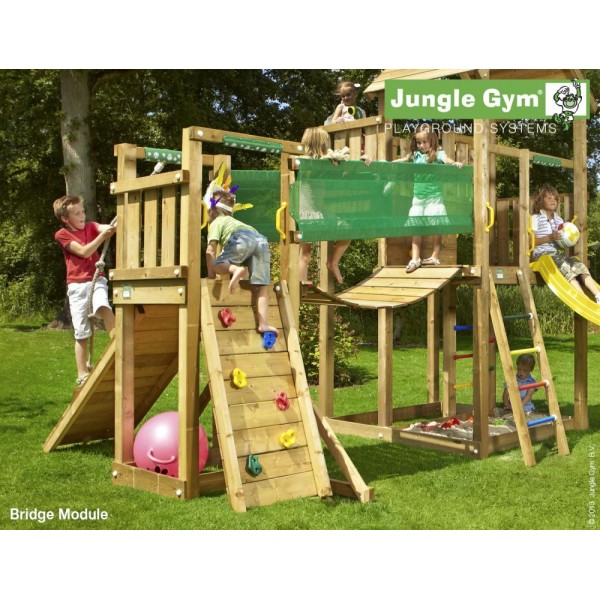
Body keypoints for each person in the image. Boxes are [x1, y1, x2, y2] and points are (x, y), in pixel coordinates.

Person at [53, 195, 116, 386]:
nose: (82, 216)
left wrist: (111, 227)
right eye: (77, 213)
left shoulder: (91, 227)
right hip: (77, 286)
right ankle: (82, 373)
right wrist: (102, 237)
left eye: (83, 211)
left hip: (96, 279)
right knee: (81, 333)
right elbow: (83, 251)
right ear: (65, 218)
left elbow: (105, 228)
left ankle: (117, 344)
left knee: (103, 306)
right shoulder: (62, 234)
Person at [297, 126, 371, 284]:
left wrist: (361, 162)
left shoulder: (327, 163)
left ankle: (332, 262)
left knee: (347, 230)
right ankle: (300, 285)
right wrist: (330, 157)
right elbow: (312, 164)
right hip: (306, 214)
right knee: (305, 252)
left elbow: (345, 171)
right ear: (321, 144)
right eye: (326, 142)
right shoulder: (303, 160)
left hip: (321, 213)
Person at [205, 190, 278, 336]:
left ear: (212, 210)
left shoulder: (217, 222)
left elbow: (210, 251)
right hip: (261, 239)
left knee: (217, 265)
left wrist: (212, 275)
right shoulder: (237, 222)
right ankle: (263, 324)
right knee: (262, 285)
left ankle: (235, 270)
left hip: (241, 237)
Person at [394, 123, 463, 273]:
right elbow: (404, 160)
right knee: (415, 226)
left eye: (425, 142)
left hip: (433, 197)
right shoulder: (416, 155)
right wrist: (389, 163)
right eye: (418, 142)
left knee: (436, 226)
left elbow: (446, 160)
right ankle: (416, 258)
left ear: (432, 140)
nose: (421, 145)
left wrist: (454, 163)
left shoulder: (438, 153)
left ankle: (435, 256)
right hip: (418, 198)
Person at [531, 183, 600, 304]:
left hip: (557, 255)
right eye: (549, 198)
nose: (553, 200)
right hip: (542, 255)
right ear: (540, 201)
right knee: (565, 267)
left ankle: (597, 294)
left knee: (578, 264)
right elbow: (529, 242)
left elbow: (561, 241)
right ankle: (583, 299)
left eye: (555, 198)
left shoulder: (559, 220)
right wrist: (549, 237)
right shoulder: (536, 218)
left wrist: (570, 240)